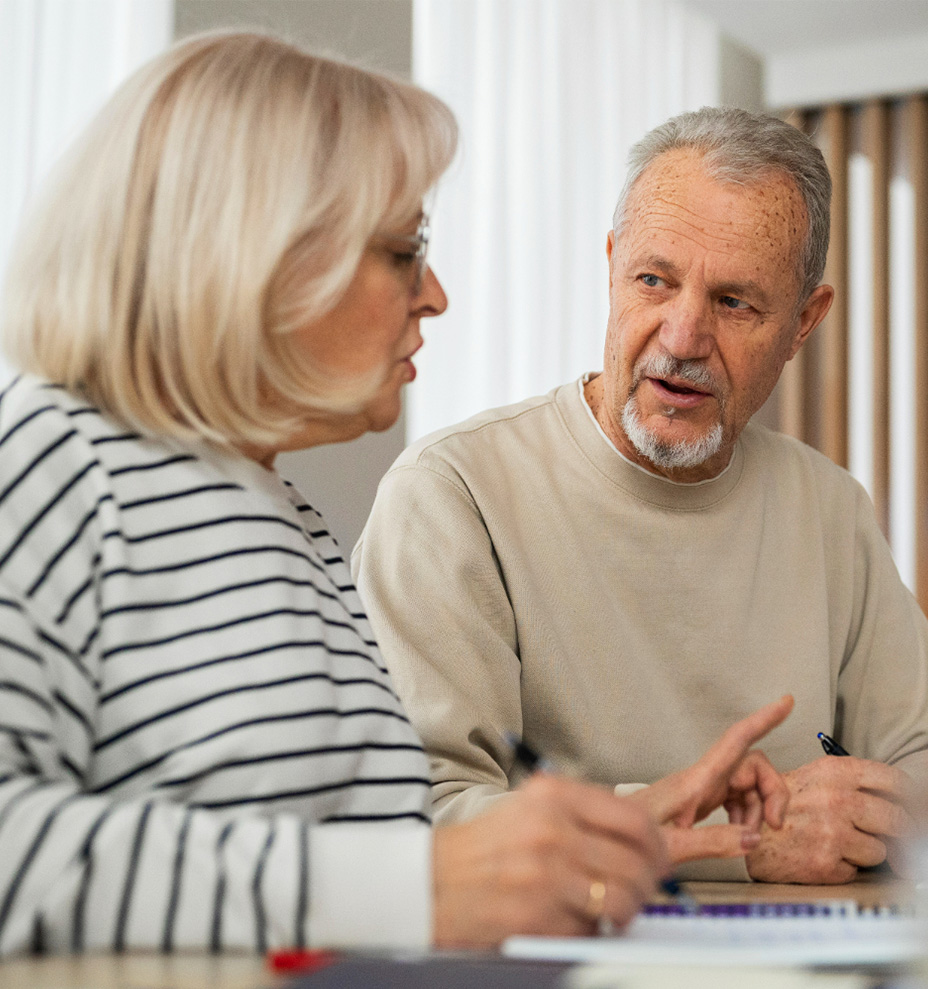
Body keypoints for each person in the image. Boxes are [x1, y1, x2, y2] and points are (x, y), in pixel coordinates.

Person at [0, 34, 792, 955]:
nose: (438, 296)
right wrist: (422, 884)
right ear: (255, 254)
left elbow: (348, 869)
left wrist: (599, 836)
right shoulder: (45, 463)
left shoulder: (281, 512)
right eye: (404, 251)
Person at [353, 106, 928, 885]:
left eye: (734, 302)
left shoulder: (830, 509)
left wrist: (877, 813)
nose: (682, 335)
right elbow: (419, 818)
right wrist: (743, 836)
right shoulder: (451, 497)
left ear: (803, 323)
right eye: (654, 280)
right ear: (613, 265)